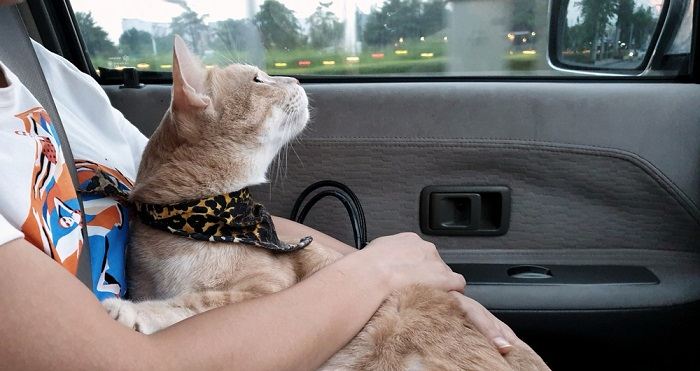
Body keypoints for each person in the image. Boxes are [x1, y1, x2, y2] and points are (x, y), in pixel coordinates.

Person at [0, 1, 523, 369]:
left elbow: (208, 215)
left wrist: (414, 285)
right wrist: (374, 273)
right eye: (260, 81)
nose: (290, 84)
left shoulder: (52, 76)